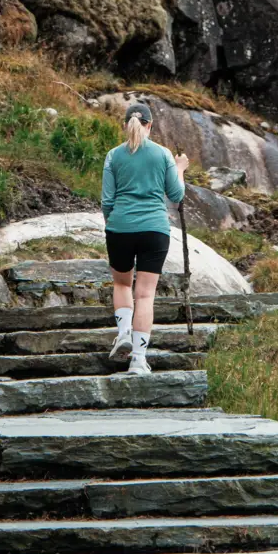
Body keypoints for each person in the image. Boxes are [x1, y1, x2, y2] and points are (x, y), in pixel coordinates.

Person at [102, 102, 188, 375]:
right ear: (150, 125)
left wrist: (113, 225)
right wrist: (180, 168)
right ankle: (138, 360)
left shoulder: (113, 156)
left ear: (125, 125)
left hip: (120, 228)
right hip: (155, 229)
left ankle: (124, 331)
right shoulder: (162, 154)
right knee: (146, 294)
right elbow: (176, 195)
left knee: (122, 284)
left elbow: (107, 201)